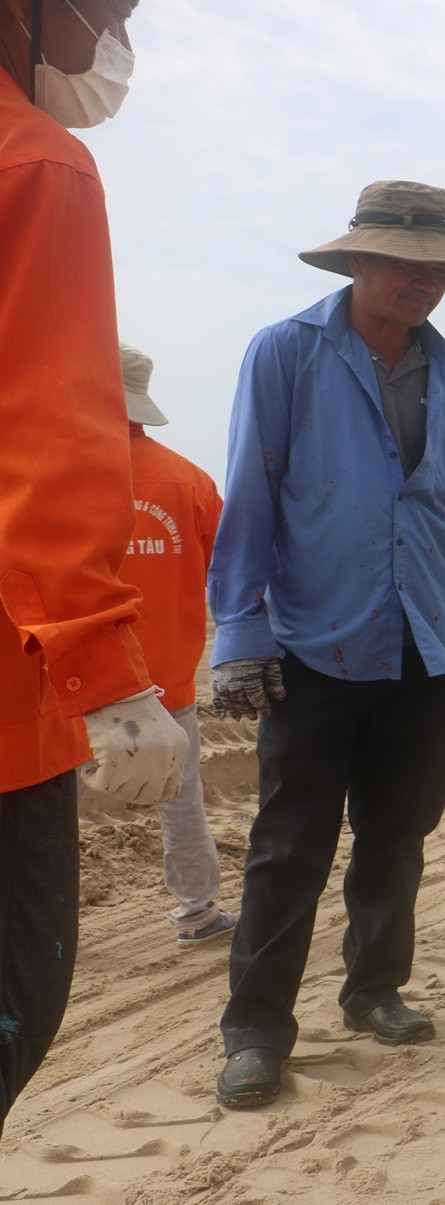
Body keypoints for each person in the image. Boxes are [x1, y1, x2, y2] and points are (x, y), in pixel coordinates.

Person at [206, 180, 445, 1108]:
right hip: (313, 645)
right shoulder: (287, 354)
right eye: (405, 264)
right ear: (357, 260)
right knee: (288, 842)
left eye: (438, 270)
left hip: (425, 644)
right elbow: (252, 494)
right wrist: (240, 631)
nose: (422, 283)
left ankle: (375, 990)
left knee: (397, 835)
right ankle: (256, 1030)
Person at [0, 0, 189, 1135]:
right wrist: (105, 677)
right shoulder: (35, 165)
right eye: (111, 6)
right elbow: (42, 435)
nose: (116, 34)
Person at [117, 343, 237, 943]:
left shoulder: (51, 477)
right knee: (181, 796)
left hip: (70, 677)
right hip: (167, 675)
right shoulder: (189, 480)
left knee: (43, 807)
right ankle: (198, 913)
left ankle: (34, 933)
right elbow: (230, 573)